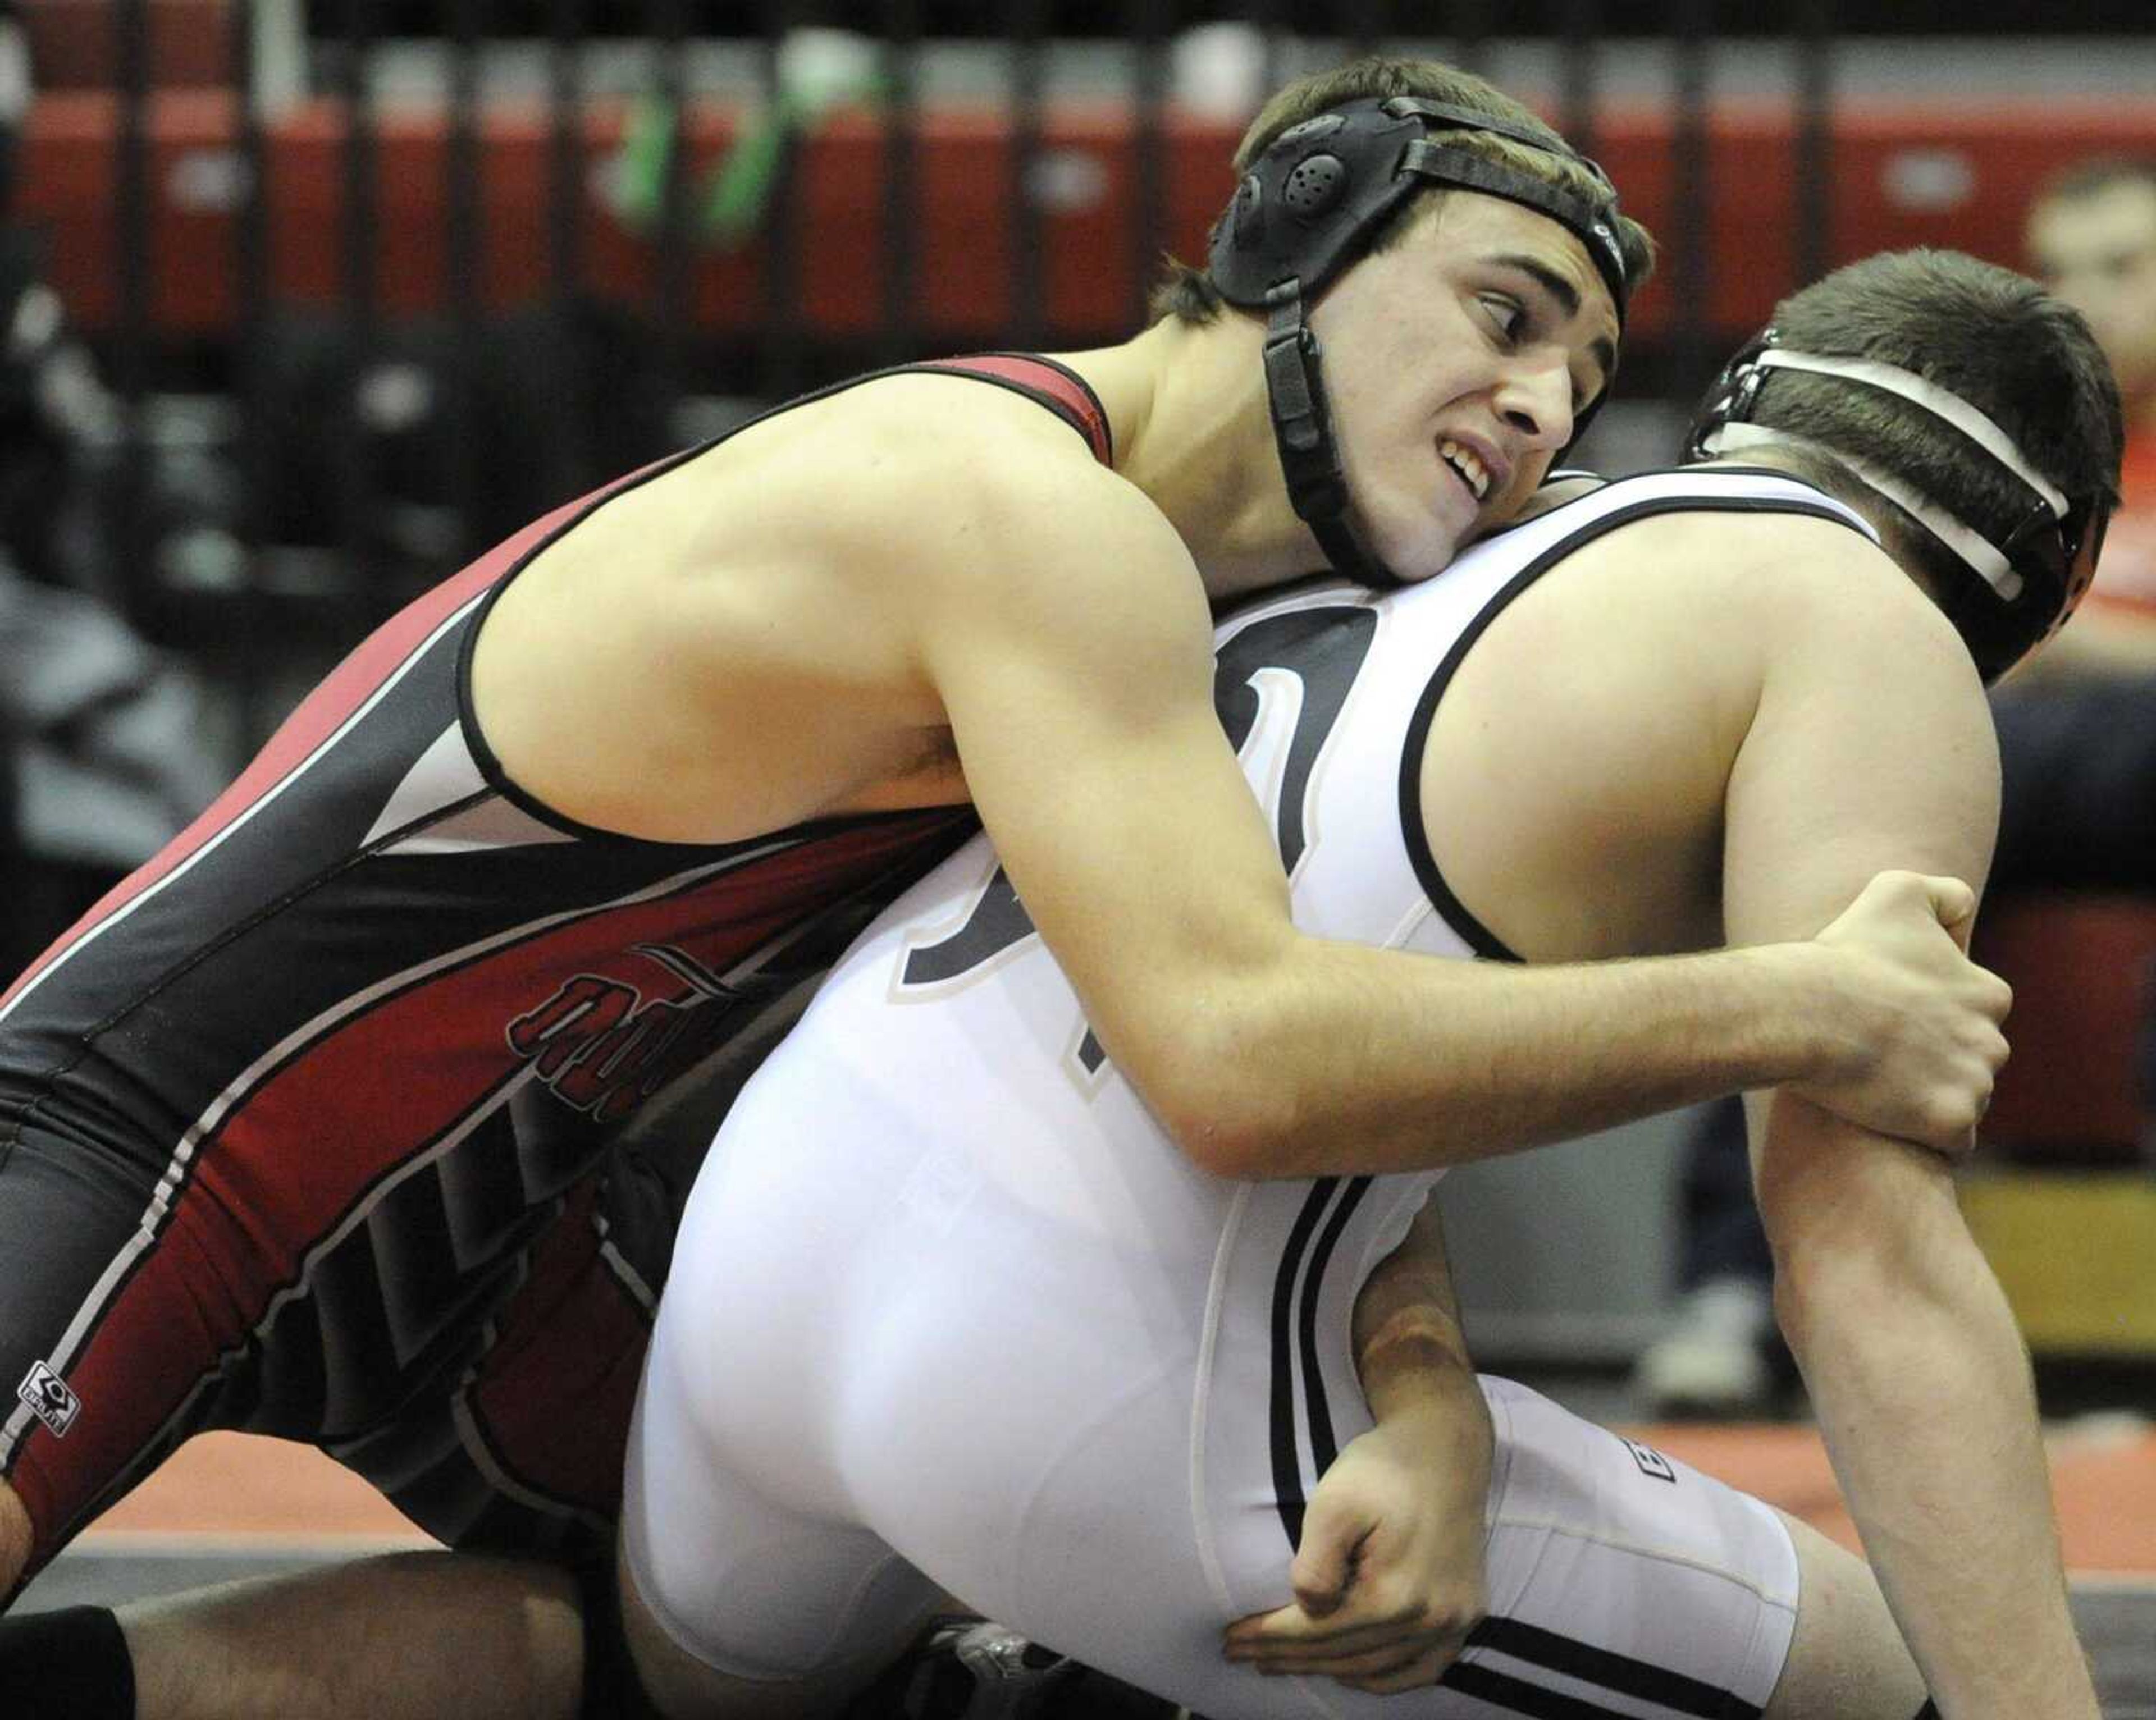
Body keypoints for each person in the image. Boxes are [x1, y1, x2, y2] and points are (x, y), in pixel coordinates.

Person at [0, 54, 2007, 1720]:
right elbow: (1246, 1056)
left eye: (1585, 371)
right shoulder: (1015, 517)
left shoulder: (1226, 612)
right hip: (151, 1132)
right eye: (1503, 314)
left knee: (693, 1682)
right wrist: (1804, 1001)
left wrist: (1426, 1393)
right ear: (1293, 245)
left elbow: (1330, 1056)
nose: (1549, 410)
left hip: (500, 1218)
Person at [619, 246, 2118, 1720]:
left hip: (747, 1292)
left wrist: (1428, 1394)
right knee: (1874, 1678)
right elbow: (1871, 1275)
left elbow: (1361, 1008)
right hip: (1080, 1372)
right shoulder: (1872, 628)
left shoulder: (1431, 533)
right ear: (2024, 597)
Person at [1636, 153, 2156, 1421]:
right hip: (2001, 746)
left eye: (2126, 267)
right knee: (1832, 831)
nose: (2087, 296)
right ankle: (1732, 1285)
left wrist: (2082, 644)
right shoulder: (2018, 436)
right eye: (2065, 267)